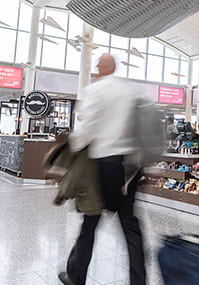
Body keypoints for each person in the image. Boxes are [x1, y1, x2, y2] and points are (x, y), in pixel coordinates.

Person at [59, 53, 147, 285]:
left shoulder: (95, 90)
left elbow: (87, 127)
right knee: (130, 227)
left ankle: (75, 276)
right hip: (130, 168)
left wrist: (72, 148)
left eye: (99, 63)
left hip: (104, 165)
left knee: (91, 220)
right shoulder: (129, 91)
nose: (96, 66)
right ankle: (139, 281)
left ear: (104, 67)